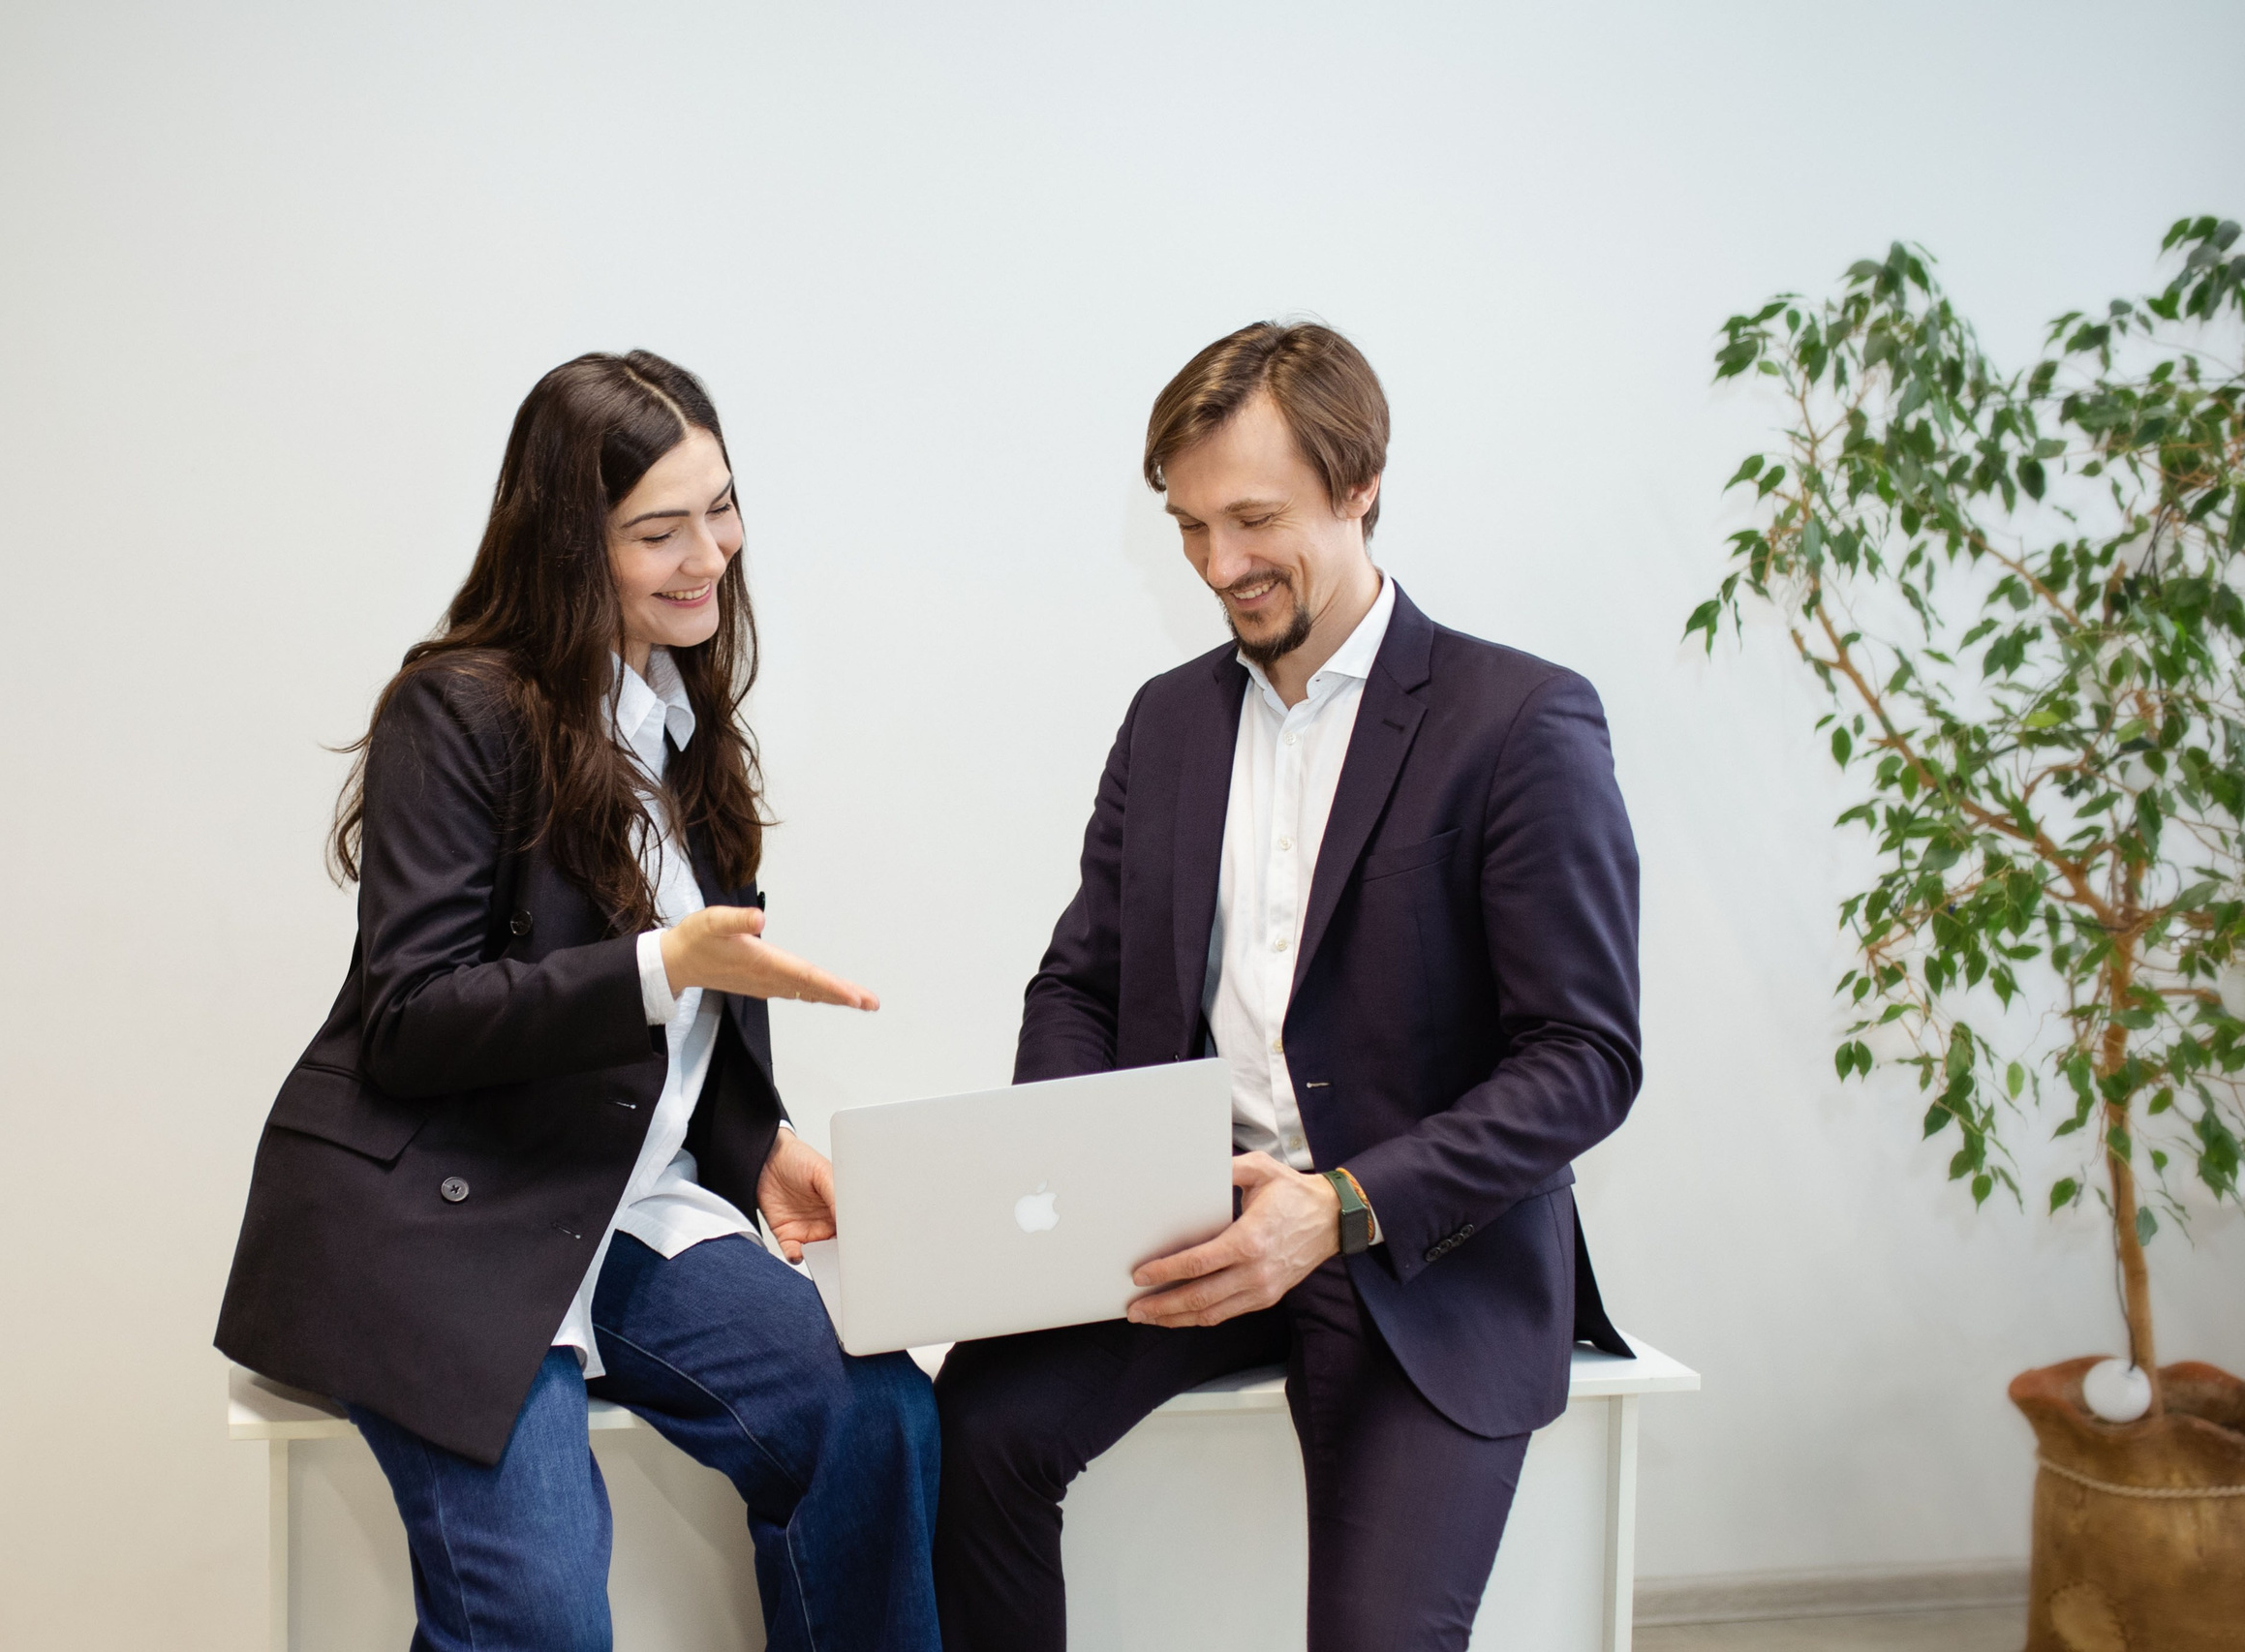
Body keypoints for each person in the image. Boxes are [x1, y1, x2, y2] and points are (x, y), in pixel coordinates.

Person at [931, 321, 1641, 1652]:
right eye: (1189, 527)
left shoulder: (1521, 719)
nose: (1217, 564)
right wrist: (1079, 1175)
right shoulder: (1167, 721)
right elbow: (1079, 980)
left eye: (1253, 518)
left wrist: (1336, 1207)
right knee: (970, 1435)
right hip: (1188, 1229)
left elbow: (1584, 1056)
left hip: (1420, 1262)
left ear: (1359, 479)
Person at [215, 352, 940, 1652]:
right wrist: (667, 965)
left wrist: (752, 1144)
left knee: (876, 1418)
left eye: (720, 507)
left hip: (619, 1206)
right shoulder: (455, 708)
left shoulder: (679, 712)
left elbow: (673, 1046)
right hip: (452, 1219)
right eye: (659, 530)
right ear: (566, 542)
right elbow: (413, 1014)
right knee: (544, 1610)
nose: (709, 554)